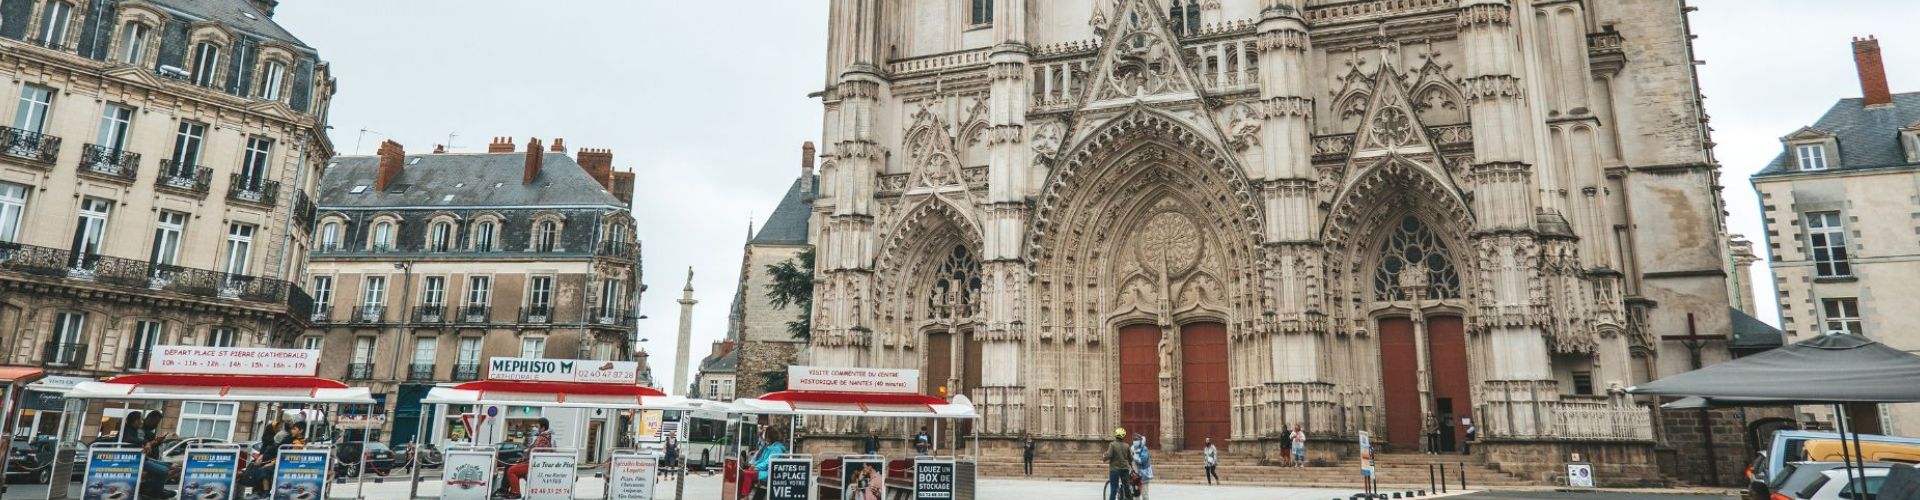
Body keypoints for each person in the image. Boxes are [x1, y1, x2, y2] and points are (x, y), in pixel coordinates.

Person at [504, 417, 553, 499]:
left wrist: (525, 455)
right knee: (511, 465)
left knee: (511, 470)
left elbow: (535, 452)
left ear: (543, 428)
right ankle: (508, 490)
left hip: (534, 464)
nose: (536, 429)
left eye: (537, 427)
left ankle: (515, 493)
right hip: (535, 463)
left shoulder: (542, 438)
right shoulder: (544, 437)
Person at [1102, 428, 1133, 500]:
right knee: (1126, 487)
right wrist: (1131, 465)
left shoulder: (1112, 445)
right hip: (1125, 469)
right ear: (1124, 436)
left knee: (1114, 489)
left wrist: (1104, 457)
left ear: (1116, 435)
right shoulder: (1127, 445)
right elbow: (1130, 458)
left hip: (1114, 469)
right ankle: (1128, 497)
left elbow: (1109, 455)